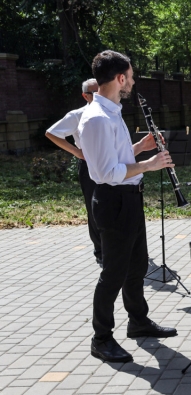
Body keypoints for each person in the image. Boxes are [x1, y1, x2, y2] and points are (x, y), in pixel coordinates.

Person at [77, 50, 177, 363]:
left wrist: (140, 147)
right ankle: (101, 338)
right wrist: (149, 164)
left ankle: (138, 322)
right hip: (113, 200)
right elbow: (106, 172)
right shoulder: (96, 118)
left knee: (137, 267)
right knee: (113, 274)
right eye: (131, 77)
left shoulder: (113, 112)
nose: (132, 82)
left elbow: (117, 158)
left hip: (129, 198)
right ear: (120, 78)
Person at [45, 78, 102, 266]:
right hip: (89, 165)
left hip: (109, 163)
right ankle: (100, 250)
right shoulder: (77, 115)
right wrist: (76, 152)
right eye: (93, 92)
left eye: (100, 90)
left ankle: (117, 246)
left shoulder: (110, 111)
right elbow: (51, 133)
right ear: (85, 96)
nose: (98, 95)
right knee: (94, 206)